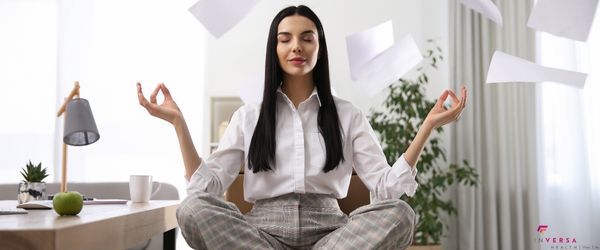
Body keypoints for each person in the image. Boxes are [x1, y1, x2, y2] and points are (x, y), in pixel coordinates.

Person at [137, 5, 466, 250]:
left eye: (307, 38)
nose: (296, 46)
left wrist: (427, 128)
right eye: (286, 39)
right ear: (275, 49)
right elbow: (204, 190)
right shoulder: (248, 116)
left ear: (319, 48)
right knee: (191, 209)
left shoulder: (348, 115)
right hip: (261, 236)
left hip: (332, 236)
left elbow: (387, 190)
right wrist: (179, 125)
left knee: (401, 215)